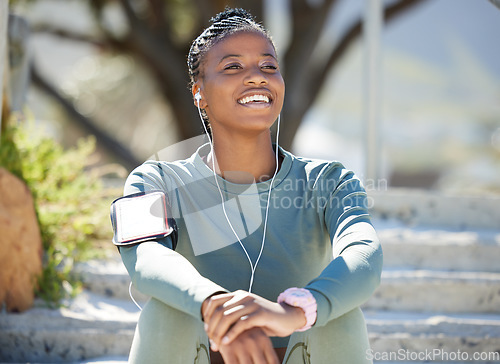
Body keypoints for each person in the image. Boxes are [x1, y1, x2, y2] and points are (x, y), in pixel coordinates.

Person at [113, 7, 383, 364]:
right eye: (233, 67)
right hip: (198, 353)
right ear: (199, 94)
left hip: (294, 354)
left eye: (268, 66)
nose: (257, 77)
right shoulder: (154, 179)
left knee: (340, 317)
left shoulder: (330, 182)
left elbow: (364, 251)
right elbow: (146, 256)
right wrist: (216, 307)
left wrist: (295, 312)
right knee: (167, 312)